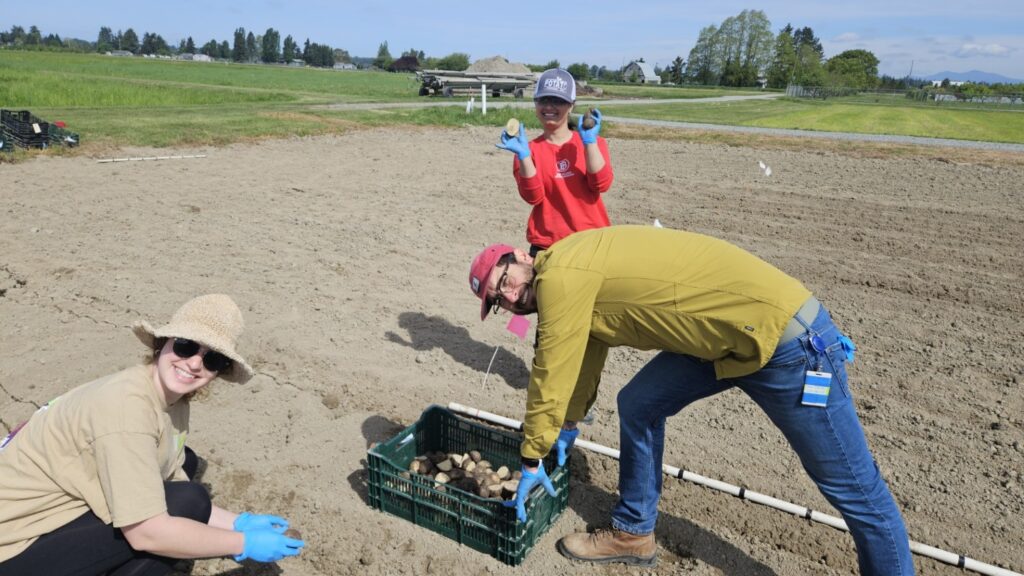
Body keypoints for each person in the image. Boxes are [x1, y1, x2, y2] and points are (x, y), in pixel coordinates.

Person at [467, 226, 914, 574]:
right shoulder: (567, 270)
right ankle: (633, 534)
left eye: (505, 280)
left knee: (855, 490)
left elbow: (552, 367)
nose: (508, 296)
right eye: (498, 299)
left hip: (789, 345)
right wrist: (568, 423)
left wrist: (531, 456)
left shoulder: (561, 277)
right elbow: (585, 352)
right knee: (641, 403)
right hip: (726, 343)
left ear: (523, 258)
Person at [0, 294, 305, 576]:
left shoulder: (170, 399)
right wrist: (241, 543)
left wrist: (239, 522)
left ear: (219, 371)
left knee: (185, 464)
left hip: (49, 517)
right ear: (163, 343)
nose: (195, 363)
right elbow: (148, 532)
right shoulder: (126, 408)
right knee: (188, 504)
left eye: (213, 359)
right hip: (14, 543)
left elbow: (170, 474)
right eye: (186, 345)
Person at [496, 68, 614, 257]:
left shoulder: (593, 143)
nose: (549, 106)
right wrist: (524, 157)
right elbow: (533, 197)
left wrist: (589, 143)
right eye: (543, 100)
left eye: (558, 101)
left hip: (591, 242)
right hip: (547, 246)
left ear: (571, 105)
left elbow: (601, 183)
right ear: (535, 104)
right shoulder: (528, 149)